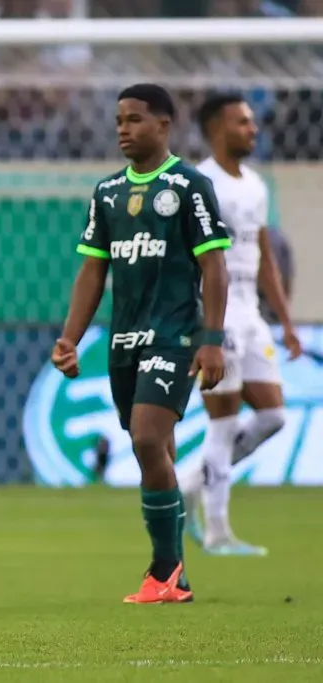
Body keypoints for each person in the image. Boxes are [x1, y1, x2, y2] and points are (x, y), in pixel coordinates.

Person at [51, 83, 231, 604]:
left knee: (147, 440)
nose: (124, 129)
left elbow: (213, 265)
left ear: (163, 124)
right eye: (118, 121)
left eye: (134, 119)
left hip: (174, 334)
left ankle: (163, 569)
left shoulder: (189, 185)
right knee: (156, 450)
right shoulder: (107, 193)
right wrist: (69, 338)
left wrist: (212, 340)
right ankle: (178, 578)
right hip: (124, 340)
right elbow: (93, 269)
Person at [179, 93, 302, 556]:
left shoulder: (254, 184)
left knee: (272, 414)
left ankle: (191, 482)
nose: (253, 129)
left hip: (252, 314)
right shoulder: (200, 183)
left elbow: (264, 255)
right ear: (216, 129)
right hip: (218, 314)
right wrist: (197, 325)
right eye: (242, 122)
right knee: (224, 422)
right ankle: (217, 532)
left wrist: (286, 321)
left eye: (252, 122)